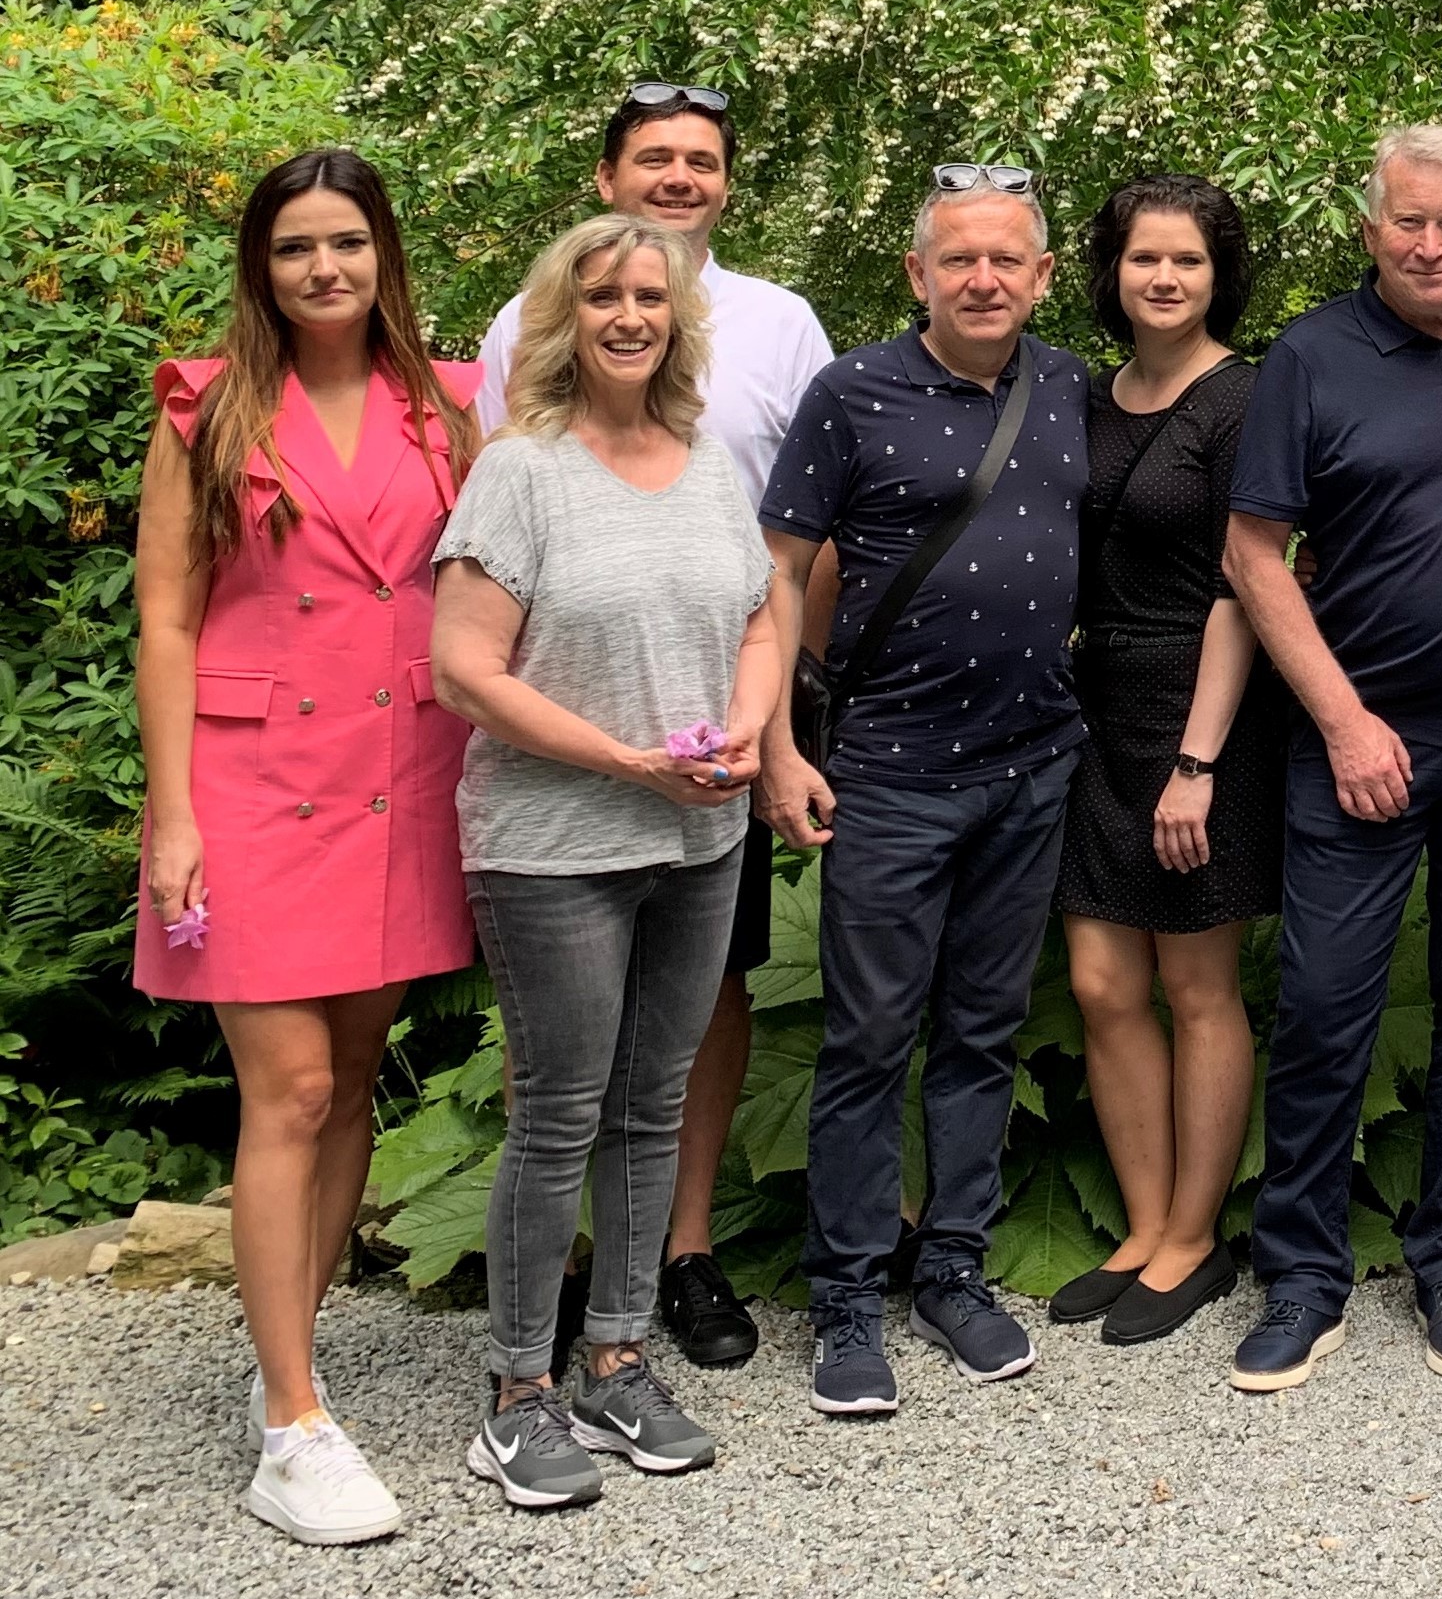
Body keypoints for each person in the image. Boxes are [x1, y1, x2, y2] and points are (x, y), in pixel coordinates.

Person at [133, 148, 483, 1544]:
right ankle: (290, 1427)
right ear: (261, 267)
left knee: (347, 1088)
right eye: (294, 247)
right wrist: (173, 814)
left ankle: (296, 1356)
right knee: (286, 1088)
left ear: (383, 253)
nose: (323, 267)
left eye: (346, 241)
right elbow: (167, 615)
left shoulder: (449, 403)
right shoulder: (204, 405)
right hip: (250, 781)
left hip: (402, 775)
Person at [472, 82, 833, 1376]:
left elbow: (780, 579)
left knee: (676, 1053)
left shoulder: (753, 373)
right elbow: (476, 620)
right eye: (654, 157)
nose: (679, 177)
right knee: (559, 1074)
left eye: (701, 160)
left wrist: (762, 731)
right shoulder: (522, 399)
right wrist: (612, 750)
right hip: (561, 793)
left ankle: (651, 1301)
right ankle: (539, 1331)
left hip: (709, 787)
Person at [1218, 125, 1442, 1393]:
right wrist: (1342, 721)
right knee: (1326, 1009)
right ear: (1369, 230)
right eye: (1408, 223)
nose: (1432, 246)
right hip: (1363, 748)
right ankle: (1301, 1277)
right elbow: (1253, 554)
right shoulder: (1310, 357)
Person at [433, 214, 781, 1507]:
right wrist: (629, 760)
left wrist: (746, 725)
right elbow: (462, 669)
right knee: (558, 1114)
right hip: (554, 848)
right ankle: (517, 1391)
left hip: (698, 837)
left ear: (678, 320)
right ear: (562, 319)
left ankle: (618, 1360)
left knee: (652, 1104)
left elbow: (760, 619)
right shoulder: (519, 471)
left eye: (650, 296)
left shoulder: (705, 466)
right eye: (601, 297)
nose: (628, 316)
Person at [758, 164, 1095, 1417]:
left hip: (1032, 766)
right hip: (892, 774)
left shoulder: (1073, 389)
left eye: (1006, 259)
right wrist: (778, 744)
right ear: (917, 273)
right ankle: (847, 1295)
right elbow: (778, 572)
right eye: (959, 259)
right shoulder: (851, 393)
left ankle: (953, 1268)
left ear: (1043, 277)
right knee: (868, 1039)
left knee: (981, 1034)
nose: (983, 279)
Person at [1042, 177, 1290, 1347]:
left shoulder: (1243, 399)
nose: (1165, 278)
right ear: (1113, 271)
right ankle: (1143, 1226)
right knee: (1102, 982)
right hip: (1097, 709)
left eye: (1187, 260)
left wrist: (1197, 761)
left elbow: (1247, 584)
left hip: (1203, 713)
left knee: (1197, 985)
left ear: (1216, 275)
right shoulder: (1089, 398)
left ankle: (1196, 1236)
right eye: (1145, 257)